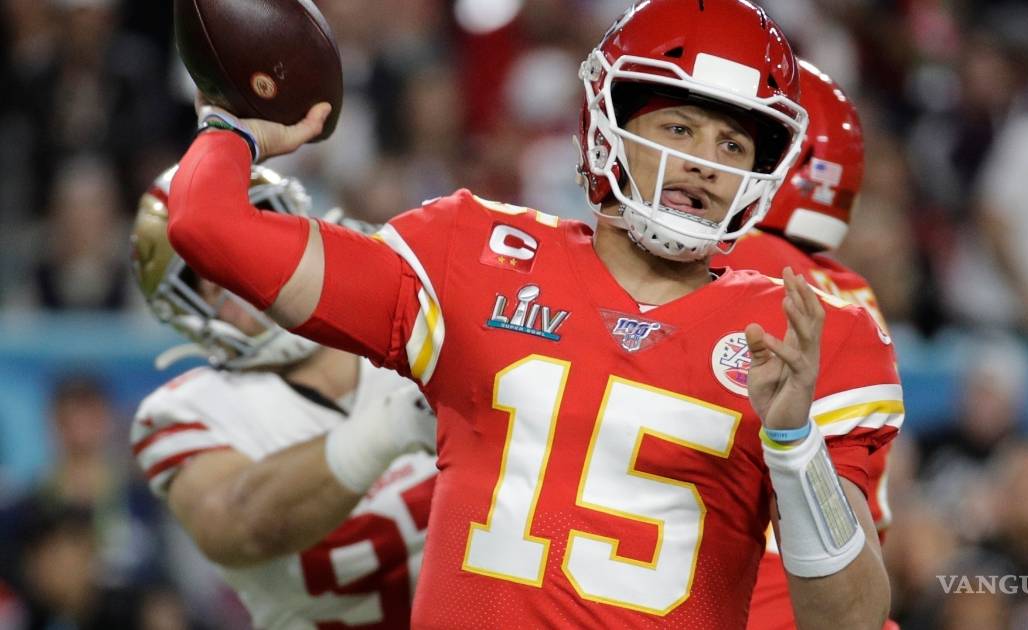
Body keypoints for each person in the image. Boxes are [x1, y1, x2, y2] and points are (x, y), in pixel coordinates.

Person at [165, 1, 903, 626]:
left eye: (732, 143)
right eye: (679, 129)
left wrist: (795, 446)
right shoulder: (472, 255)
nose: (704, 162)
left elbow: (850, 620)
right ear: (607, 122)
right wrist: (234, 129)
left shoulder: (807, 335)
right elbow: (209, 228)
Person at [130, 165, 438, 629]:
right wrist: (394, 427)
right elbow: (238, 526)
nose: (248, 276)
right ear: (190, 309)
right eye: (214, 274)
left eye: (256, 241)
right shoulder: (186, 411)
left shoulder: (414, 315)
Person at [712, 59, 897, 630]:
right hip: (836, 593)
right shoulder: (850, 291)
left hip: (736, 603)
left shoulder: (731, 263)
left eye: (729, 142)